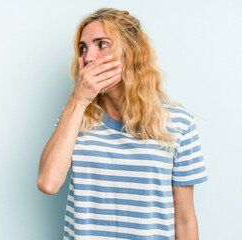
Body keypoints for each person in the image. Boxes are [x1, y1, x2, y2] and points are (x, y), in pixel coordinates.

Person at [37, 8, 208, 240]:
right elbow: (48, 183)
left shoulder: (178, 124)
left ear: (130, 53)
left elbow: (185, 220)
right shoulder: (74, 119)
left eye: (102, 44)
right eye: (83, 48)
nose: (88, 57)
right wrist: (78, 101)